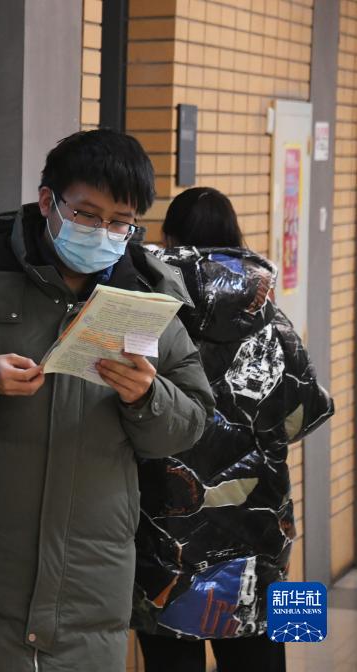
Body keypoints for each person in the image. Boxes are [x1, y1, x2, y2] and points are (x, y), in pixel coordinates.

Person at [0, 129, 215, 671]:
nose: (102, 232)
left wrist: (148, 397)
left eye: (120, 222)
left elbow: (193, 418)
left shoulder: (145, 296)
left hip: (89, 581)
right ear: (47, 201)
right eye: (86, 214)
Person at [131, 187, 334, 672]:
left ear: (170, 238)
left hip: (165, 525)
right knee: (262, 653)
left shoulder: (146, 316)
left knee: (170, 658)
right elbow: (306, 412)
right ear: (234, 236)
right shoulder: (272, 318)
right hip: (262, 524)